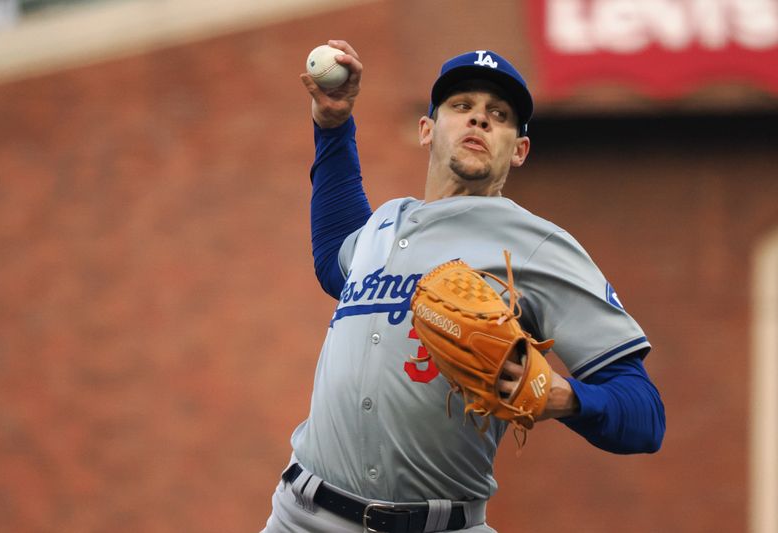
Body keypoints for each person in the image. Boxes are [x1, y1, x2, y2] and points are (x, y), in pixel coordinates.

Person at [261, 41, 665, 533]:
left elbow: (645, 415)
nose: (479, 120)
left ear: (519, 150)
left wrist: (561, 396)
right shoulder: (385, 223)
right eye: (462, 106)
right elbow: (333, 260)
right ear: (427, 129)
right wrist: (332, 125)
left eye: (498, 113)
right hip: (302, 516)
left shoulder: (538, 246)